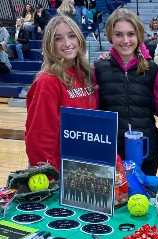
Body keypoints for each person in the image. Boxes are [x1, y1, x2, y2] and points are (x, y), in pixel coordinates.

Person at [93, 8, 158, 176]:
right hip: (110, 154)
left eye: (131, 34)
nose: (125, 40)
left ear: (138, 35)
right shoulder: (99, 68)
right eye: (118, 34)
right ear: (110, 36)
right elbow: (93, 112)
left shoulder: (152, 69)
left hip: (145, 153)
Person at [25, 15, 97, 171]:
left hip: (84, 165)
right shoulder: (48, 81)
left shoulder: (87, 74)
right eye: (59, 39)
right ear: (50, 45)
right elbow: (39, 137)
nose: (67, 43)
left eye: (71, 36)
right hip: (60, 170)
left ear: (79, 38)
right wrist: (50, 175)